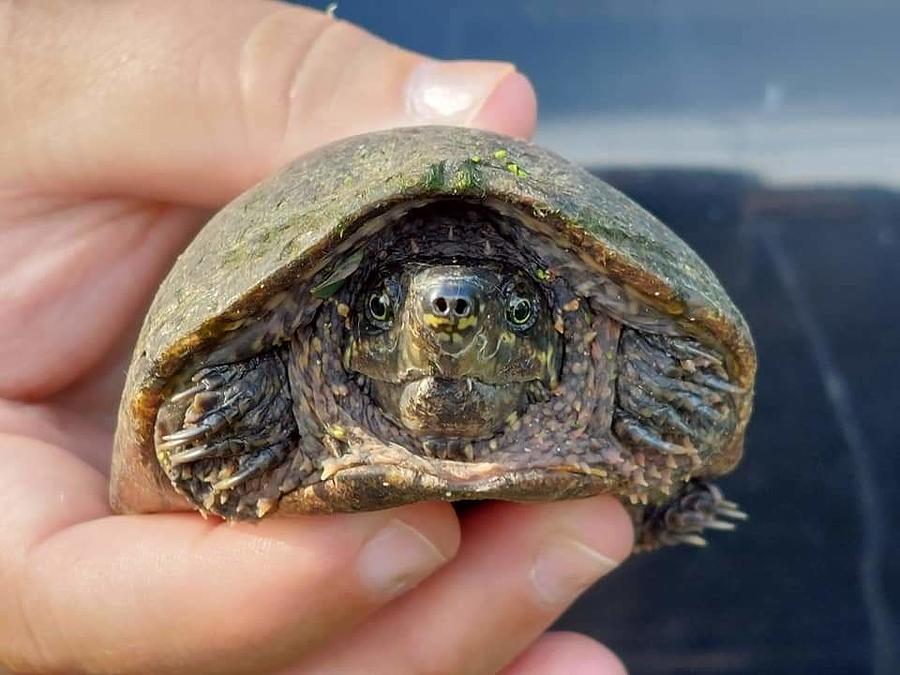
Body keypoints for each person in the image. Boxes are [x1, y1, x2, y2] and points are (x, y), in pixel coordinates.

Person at [0, 2, 633, 673]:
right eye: (387, 310)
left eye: (517, 312)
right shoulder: (285, 344)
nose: (448, 314)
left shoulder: (610, 324)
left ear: (568, 332)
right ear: (343, 327)